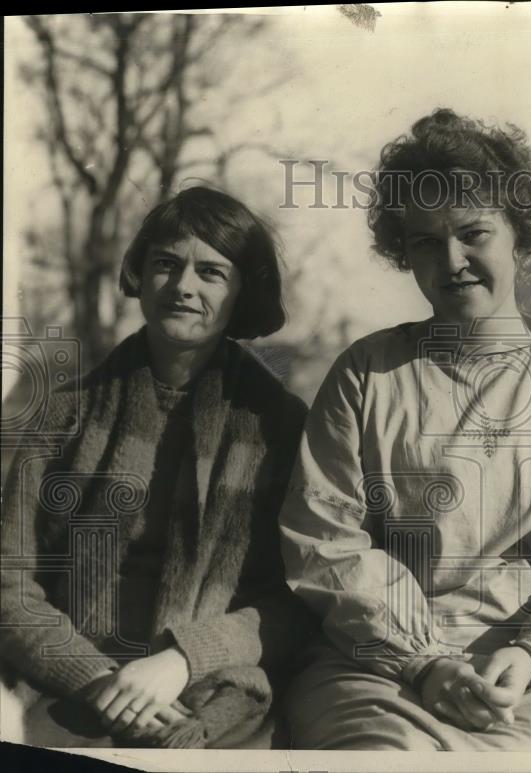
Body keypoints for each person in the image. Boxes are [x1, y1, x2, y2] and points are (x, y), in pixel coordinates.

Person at [279, 108, 531, 751]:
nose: (453, 261)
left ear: (519, 235)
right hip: (380, 668)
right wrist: (422, 661)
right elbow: (325, 542)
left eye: (473, 233)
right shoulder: (367, 373)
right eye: (425, 242)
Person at [0, 186, 315, 748]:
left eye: (211, 273)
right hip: (66, 684)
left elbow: (300, 597)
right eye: (166, 264)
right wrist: (96, 681)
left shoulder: (282, 426)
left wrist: (183, 659)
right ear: (139, 275)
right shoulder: (60, 415)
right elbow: (10, 585)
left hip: (218, 691)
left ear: (244, 290)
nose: (184, 287)